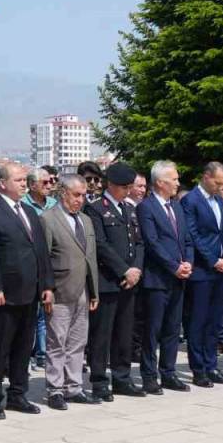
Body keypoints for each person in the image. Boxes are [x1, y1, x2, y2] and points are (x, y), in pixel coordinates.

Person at [0, 163, 52, 419]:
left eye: (24, 180)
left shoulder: (29, 211)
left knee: (23, 347)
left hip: (30, 292)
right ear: (2, 183)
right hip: (3, 294)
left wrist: (46, 286)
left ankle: (18, 394)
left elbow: (41, 251)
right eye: (18, 180)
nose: (23, 184)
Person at [84, 163, 145, 399]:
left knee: (124, 332)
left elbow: (138, 242)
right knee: (102, 334)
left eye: (130, 186)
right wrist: (123, 271)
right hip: (109, 280)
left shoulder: (129, 209)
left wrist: (136, 269)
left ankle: (122, 377)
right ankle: (99, 380)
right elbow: (100, 244)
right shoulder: (97, 209)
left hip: (130, 281)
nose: (128, 191)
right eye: (124, 187)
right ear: (111, 184)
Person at [40, 174, 100, 409]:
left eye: (84, 195)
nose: (81, 200)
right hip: (60, 289)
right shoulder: (48, 219)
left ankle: (73, 386)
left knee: (78, 341)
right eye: (76, 195)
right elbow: (43, 258)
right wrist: (46, 288)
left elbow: (90, 258)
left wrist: (94, 291)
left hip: (83, 289)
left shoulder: (85, 220)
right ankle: (55, 388)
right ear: (63, 193)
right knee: (57, 341)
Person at [136, 161, 193, 394]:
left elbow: (186, 238)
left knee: (172, 328)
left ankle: (168, 372)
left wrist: (188, 262)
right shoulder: (146, 207)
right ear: (160, 182)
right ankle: (149, 375)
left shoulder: (176, 206)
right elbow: (152, 242)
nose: (178, 183)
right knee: (153, 329)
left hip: (179, 277)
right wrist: (173, 266)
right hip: (157, 279)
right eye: (174, 179)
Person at [181, 162, 223, 387]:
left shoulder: (219, 201)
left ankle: (212, 365)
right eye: (218, 182)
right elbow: (193, 235)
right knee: (198, 321)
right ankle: (199, 367)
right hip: (202, 271)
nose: (221, 187)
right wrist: (213, 260)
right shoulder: (190, 201)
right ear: (206, 177)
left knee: (215, 321)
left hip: (222, 270)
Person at [20, 168, 56, 371]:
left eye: (51, 182)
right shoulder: (24, 205)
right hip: (30, 264)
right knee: (31, 315)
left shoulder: (53, 205)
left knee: (45, 313)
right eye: (44, 182)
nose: (49, 185)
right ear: (32, 185)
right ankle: (28, 354)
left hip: (50, 263)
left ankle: (42, 354)